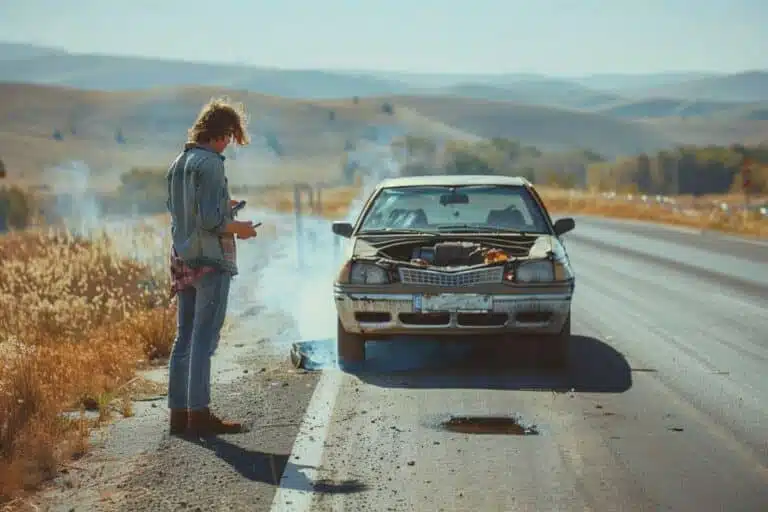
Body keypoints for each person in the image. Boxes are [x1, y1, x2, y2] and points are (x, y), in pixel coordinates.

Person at [165, 97, 258, 437]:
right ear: (223, 133)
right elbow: (211, 220)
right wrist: (240, 227)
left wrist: (223, 204)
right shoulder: (211, 164)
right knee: (205, 338)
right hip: (210, 259)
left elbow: (184, 211)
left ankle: (179, 414)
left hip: (182, 257)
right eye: (231, 136)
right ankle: (200, 414)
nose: (230, 144)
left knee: (184, 337)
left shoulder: (180, 162)